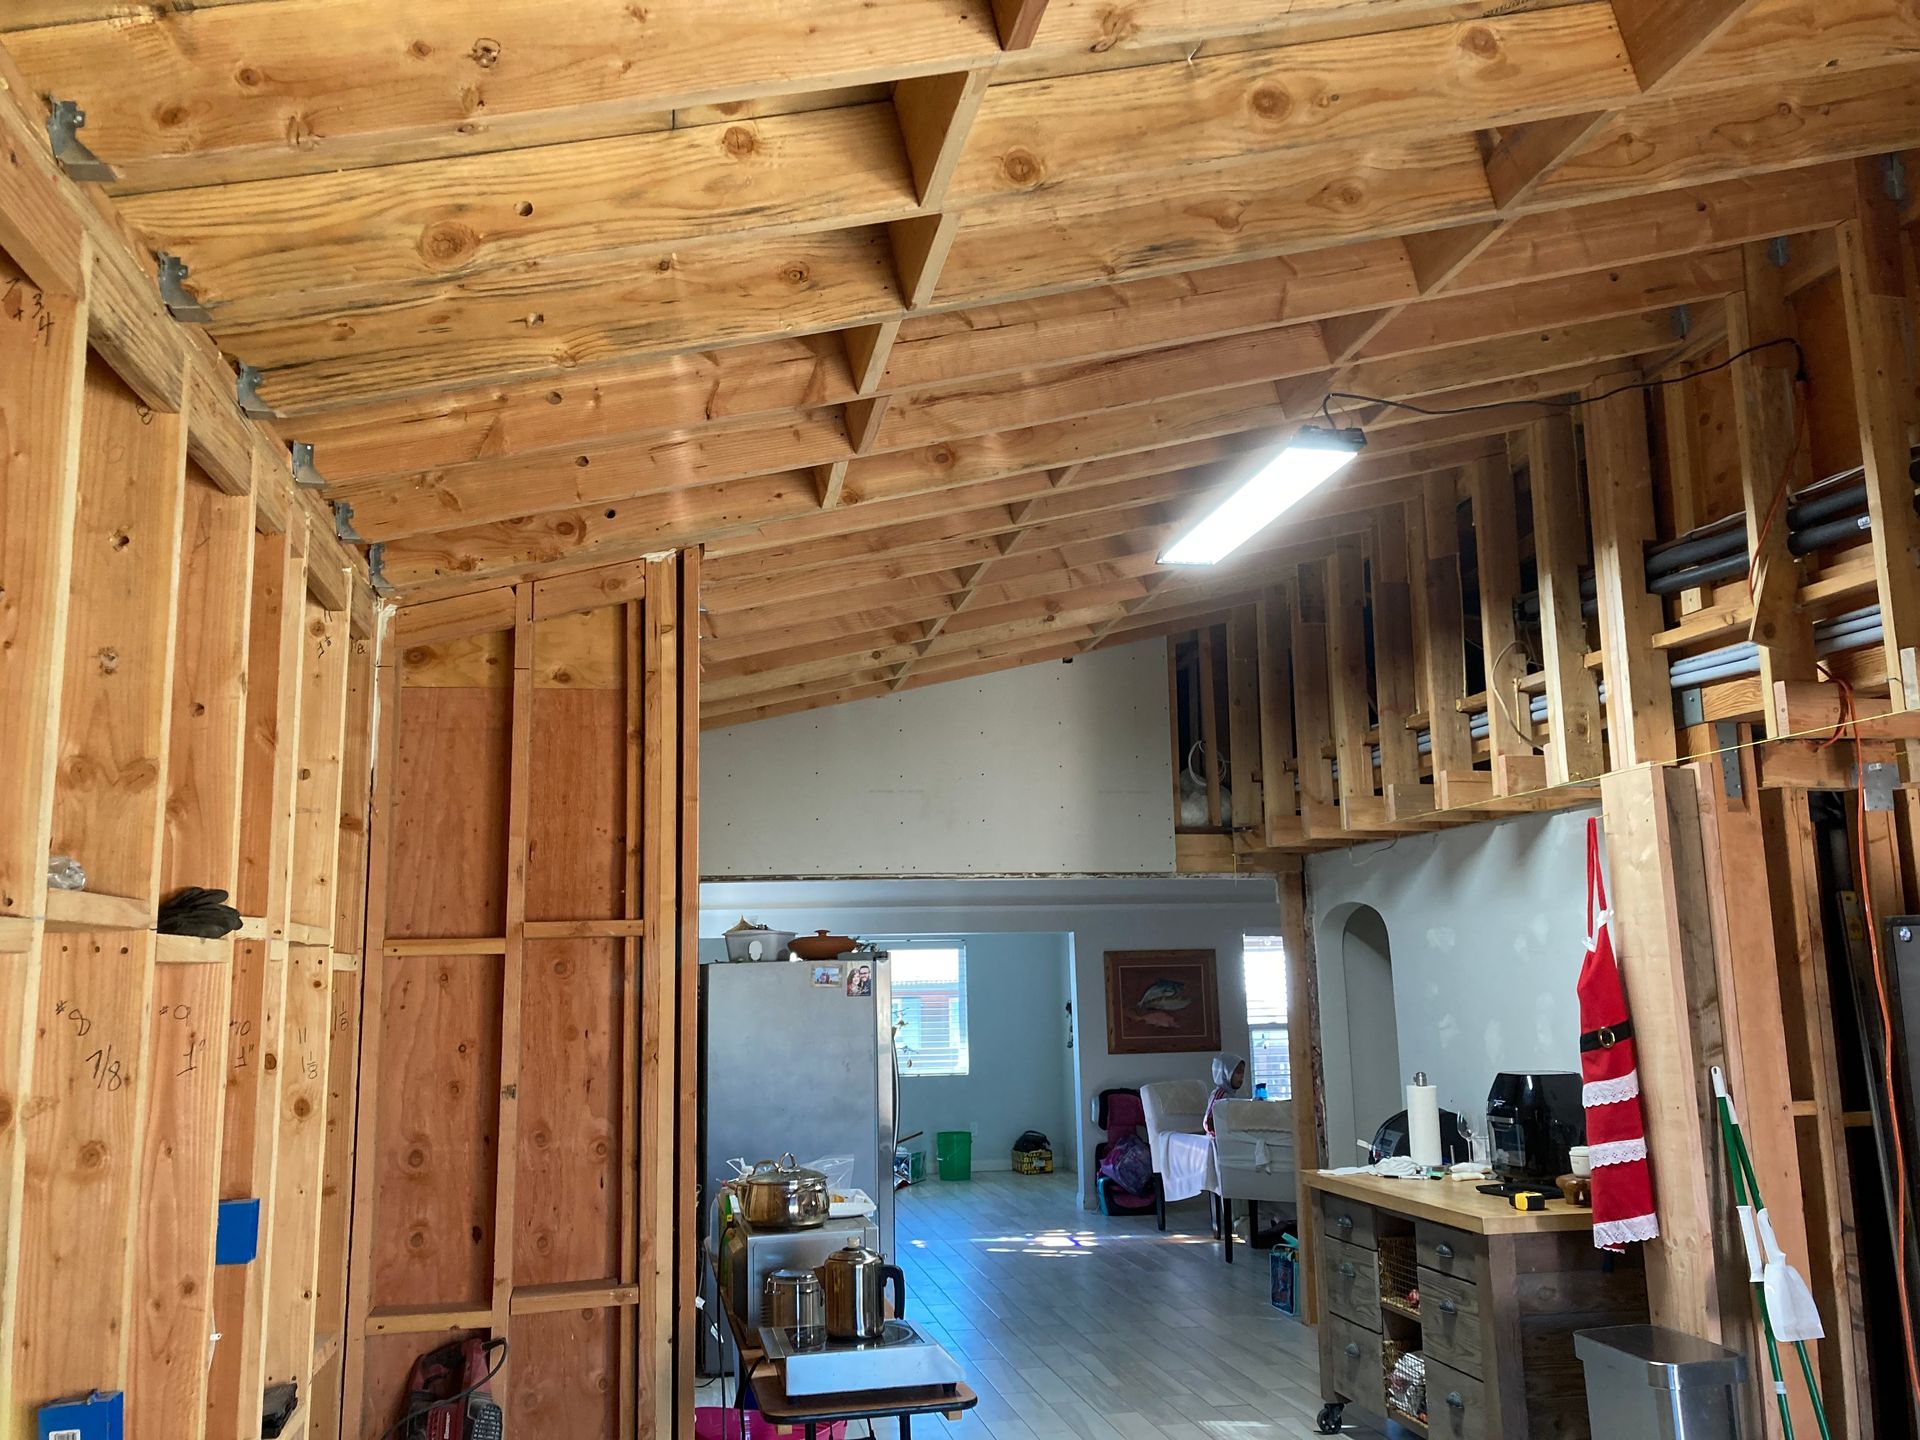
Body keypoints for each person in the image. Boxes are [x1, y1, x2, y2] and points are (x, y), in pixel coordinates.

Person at [1203, 1052, 1246, 1135]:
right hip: (1219, 1141)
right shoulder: (1219, 1094)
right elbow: (1208, 1123)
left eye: (1243, 1072)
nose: (1242, 1076)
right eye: (1238, 1073)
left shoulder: (1233, 1095)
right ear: (1225, 1073)